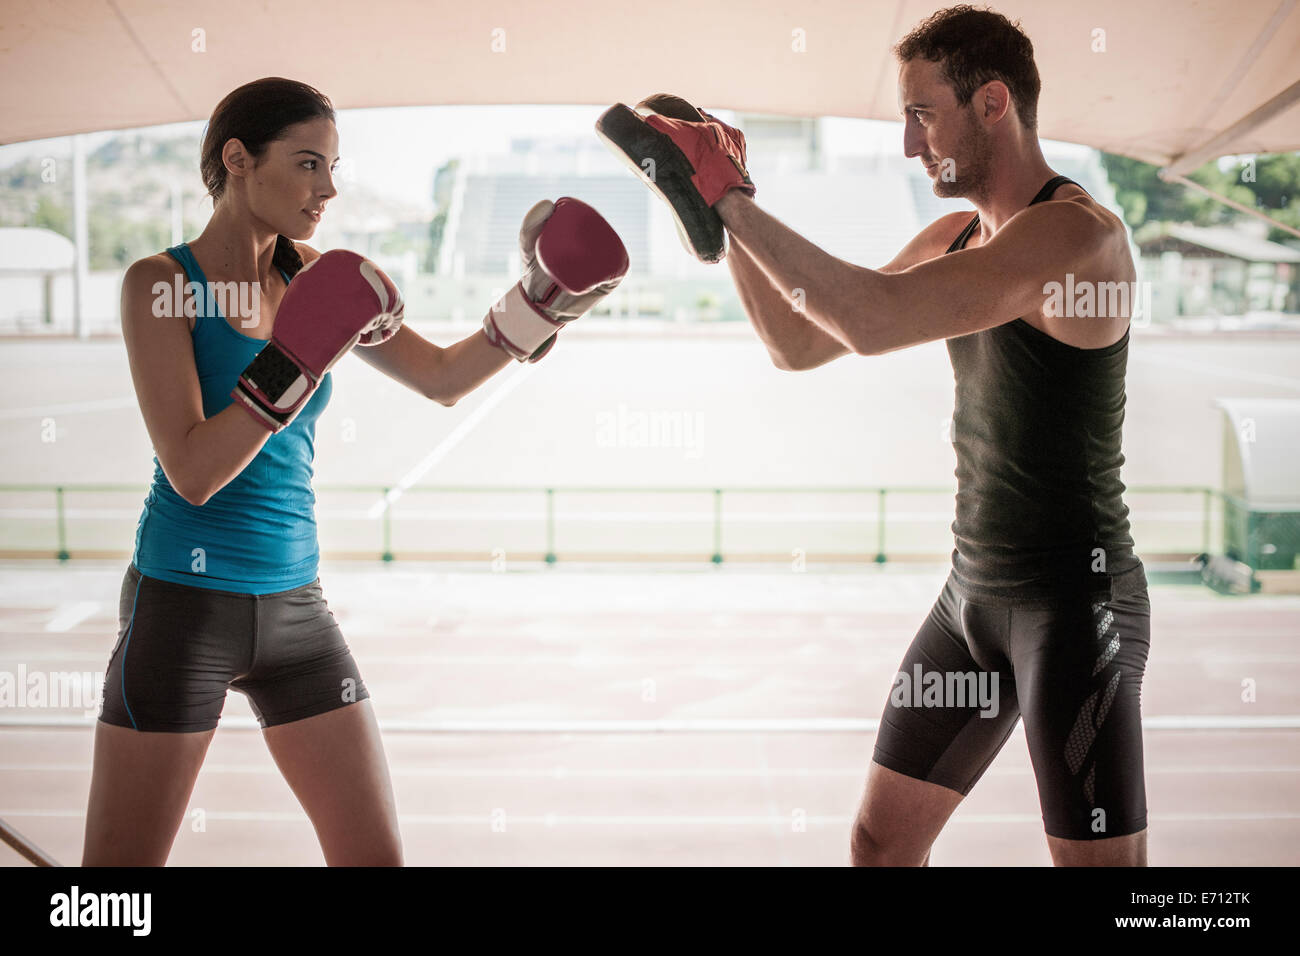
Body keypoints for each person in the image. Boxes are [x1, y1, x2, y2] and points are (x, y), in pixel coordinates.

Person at [600, 5, 1150, 866]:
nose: (907, 143)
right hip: (973, 595)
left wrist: (731, 198)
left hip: (1075, 608)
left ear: (994, 103)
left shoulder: (1079, 237)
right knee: (879, 845)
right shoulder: (957, 235)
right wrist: (721, 222)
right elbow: (800, 341)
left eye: (922, 114)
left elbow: (870, 317)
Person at [84, 77, 627, 865]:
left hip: (298, 612)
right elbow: (194, 470)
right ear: (238, 159)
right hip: (184, 611)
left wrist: (540, 304)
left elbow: (442, 378)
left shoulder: (320, 281)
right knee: (112, 889)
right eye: (309, 165)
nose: (329, 189)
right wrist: (295, 360)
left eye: (333, 168)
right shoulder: (162, 286)